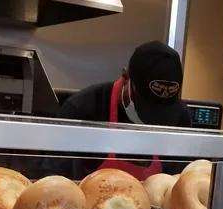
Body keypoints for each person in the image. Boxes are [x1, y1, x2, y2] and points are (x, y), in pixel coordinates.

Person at [53, 41, 192, 180]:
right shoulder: (82, 110)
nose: (150, 121)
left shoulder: (180, 117)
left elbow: (180, 179)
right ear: (125, 77)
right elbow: (54, 181)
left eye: (161, 112)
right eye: (146, 107)